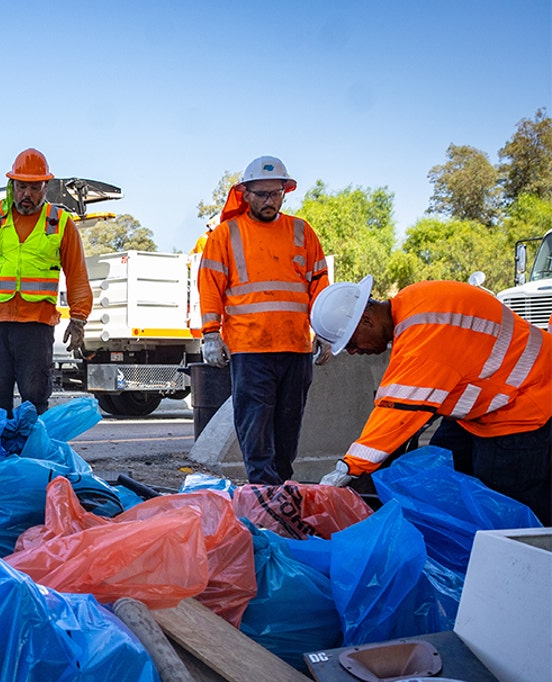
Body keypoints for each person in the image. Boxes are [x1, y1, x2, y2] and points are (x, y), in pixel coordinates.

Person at [312, 276, 551, 523]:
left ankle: (528, 555)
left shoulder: (423, 332)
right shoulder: (414, 301)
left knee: (504, 508)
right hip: (488, 405)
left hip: (522, 405)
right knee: (435, 473)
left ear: (366, 319)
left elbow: (398, 409)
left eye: (351, 342)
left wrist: (348, 468)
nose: (353, 351)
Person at [198, 155, 331, 485]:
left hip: (296, 348)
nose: (268, 200)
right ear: (245, 194)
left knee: (287, 431)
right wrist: (211, 334)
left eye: (275, 193)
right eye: (260, 194)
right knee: (255, 429)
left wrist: (326, 331)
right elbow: (210, 287)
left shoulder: (301, 231)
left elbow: (320, 284)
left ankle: (280, 491)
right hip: (250, 348)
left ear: (285, 192)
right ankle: (263, 491)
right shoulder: (226, 235)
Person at [0, 148, 91, 415]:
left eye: (34, 188)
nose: (27, 195)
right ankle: (0, 455)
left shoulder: (59, 223)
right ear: (12, 185)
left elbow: (77, 274)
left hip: (36, 326)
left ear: (45, 187)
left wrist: (78, 319)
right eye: (21, 187)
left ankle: (31, 454)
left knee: (34, 398)